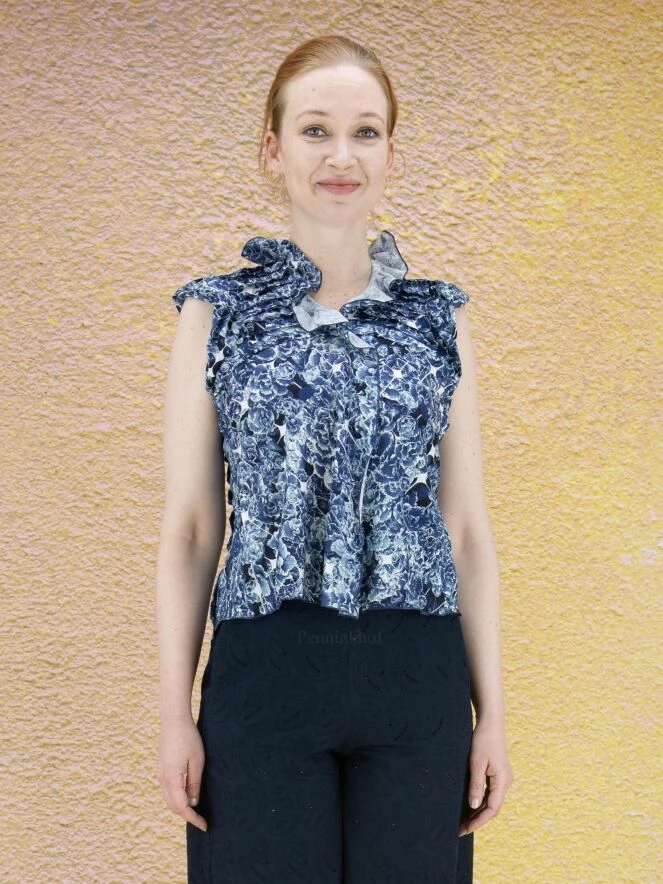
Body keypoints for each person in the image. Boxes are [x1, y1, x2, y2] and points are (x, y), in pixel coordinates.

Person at [155, 34, 513, 884]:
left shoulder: (437, 319)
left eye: (365, 132)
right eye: (314, 130)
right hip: (265, 677)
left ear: (392, 153)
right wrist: (172, 713)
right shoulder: (217, 314)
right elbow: (193, 529)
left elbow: (465, 530)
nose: (340, 156)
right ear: (272, 150)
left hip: (416, 678)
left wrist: (493, 715)